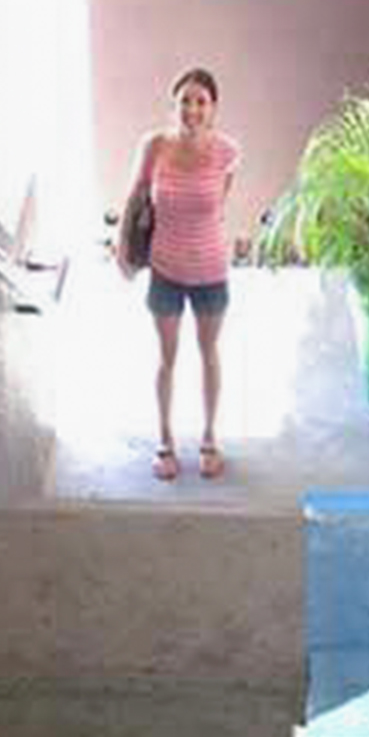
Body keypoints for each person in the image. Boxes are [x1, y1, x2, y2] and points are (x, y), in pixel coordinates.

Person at [117, 67, 240, 480]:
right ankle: (165, 442)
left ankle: (208, 439)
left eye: (201, 101)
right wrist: (123, 250)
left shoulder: (227, 152)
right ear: (175, 106)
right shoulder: (154, 146)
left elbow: (218, 208)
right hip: (166, 269)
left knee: (209, 354)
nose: (192, 109)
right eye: (185, 100)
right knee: (166, 358)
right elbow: (134, 198)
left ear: (214, 108)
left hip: (210, 271)